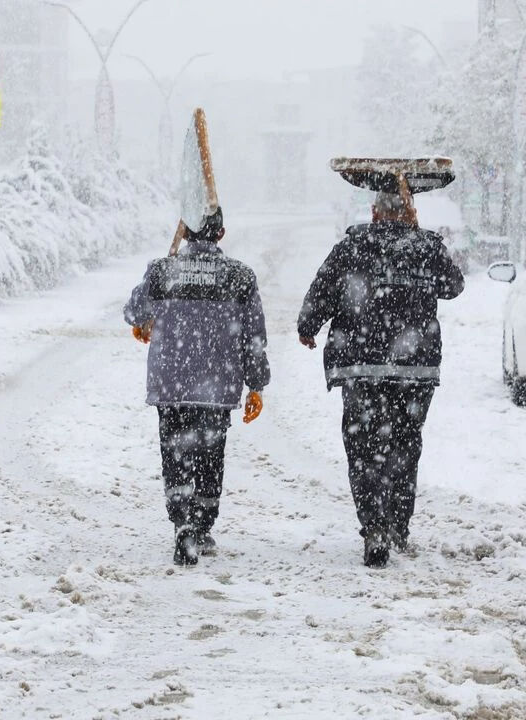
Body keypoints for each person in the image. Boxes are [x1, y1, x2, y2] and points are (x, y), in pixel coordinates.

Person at [296, 190, 464, 568]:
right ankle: (398, 524)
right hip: (414, 369)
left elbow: (322, 290)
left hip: (362, 367)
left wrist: (308, 326)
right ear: (410, 212)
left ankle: (374, 525)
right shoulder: (427, 247)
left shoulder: (352, 247)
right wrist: (420, 237)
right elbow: (453, 286)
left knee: (363, 448)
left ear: (374, 212)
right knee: (405, 445)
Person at [125, 207, 270, 567]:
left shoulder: (162, 270)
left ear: (184, 232)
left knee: (175, 454)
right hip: (217, 386)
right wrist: (256, 384)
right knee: (210, 455)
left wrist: (156, 288)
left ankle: (182, 523)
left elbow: (133, 311)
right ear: (221, 234)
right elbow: (253, 336)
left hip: (171, 383)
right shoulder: (240, 276)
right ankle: (202, 525)